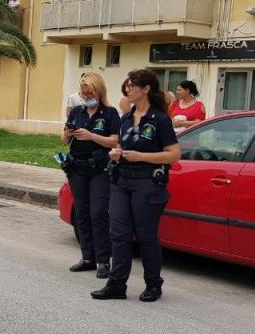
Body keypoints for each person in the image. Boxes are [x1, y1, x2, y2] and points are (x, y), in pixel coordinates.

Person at [92, 68, 181, 302]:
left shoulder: (160, 119)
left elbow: (173, 154)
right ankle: (116, 284)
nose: (128, 90)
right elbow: (122, 145)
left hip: (147, 182)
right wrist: (116, 154)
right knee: (118, 234)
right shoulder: (126, 118)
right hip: (122, 180)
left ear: (146, 89)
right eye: (127, 86)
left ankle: (153, 284)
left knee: (145, 236)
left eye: (132, 86)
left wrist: (141, 157)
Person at [63, 72, 120, 279]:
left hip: (99, 169)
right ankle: (87, 257)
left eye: (90, 93)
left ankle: (103, 261)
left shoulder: (110, 113)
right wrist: (68, 134)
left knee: (98, 214)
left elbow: (114, 141)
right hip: (77, 168)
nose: (86, 97)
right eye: (83, 93)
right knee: (82, 213)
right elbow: (63, 140)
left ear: (99, 91)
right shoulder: (77, 111)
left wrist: (91, 136)